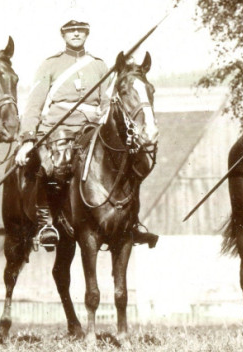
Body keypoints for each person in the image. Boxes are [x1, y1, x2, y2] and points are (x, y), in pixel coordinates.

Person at [15, 16, 158, 250]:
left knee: (130, 160)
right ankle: (46, 223)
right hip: (58, 128)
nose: (76, 33)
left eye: (81, 29)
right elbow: (34, 104)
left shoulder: (99, 66)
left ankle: (132, 221)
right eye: (71, 30)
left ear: (87, 33)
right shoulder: (49, 65)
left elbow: (106, 101)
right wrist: (28, 138)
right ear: (63, 34)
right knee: (55, 166)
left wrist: (105, 118)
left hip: (91, 127)